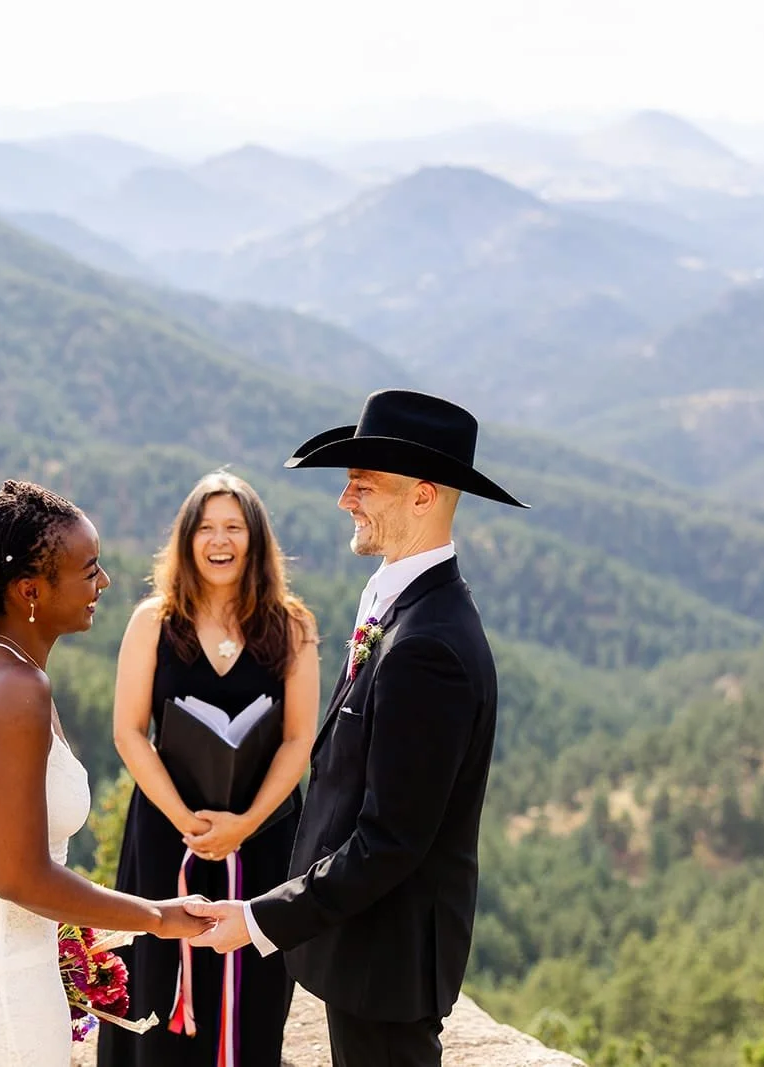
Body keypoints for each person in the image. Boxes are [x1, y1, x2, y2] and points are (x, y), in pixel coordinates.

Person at [186, 390, 529, 1067]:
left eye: (362, 485)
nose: (345, 499)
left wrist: (258, 917)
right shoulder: (404, 608)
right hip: (364, 949)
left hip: (388, 963)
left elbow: (389, 840)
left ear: (423, 497)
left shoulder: (428, 645)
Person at [0, 479, 209, 1067]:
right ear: (29, 590)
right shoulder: (17, 688)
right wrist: (157, 918)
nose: (104, 583)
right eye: (89, 570)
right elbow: (18, 879)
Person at [97, 471, 321, 1067]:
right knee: (155, 980)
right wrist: (187, 824)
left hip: (264, 836)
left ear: (255, 541)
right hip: (166, 833)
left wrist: (243, 825)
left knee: (257, 987)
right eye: (205, 528)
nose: (219, 541)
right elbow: (129, 732)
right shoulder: (153, 621)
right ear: (186, 539)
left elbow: (299, 739)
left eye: (233, 527)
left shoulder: (292, 625)